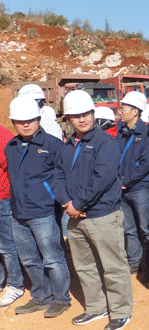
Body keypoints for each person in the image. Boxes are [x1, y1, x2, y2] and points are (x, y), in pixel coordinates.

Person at [54, 90, 133, 330]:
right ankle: (97, 306)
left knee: (113, 265)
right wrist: (66, 203)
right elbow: (57, 176)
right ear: (68, 119)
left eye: (86, 114)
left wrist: (77, 204)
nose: (82, 119)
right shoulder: (67, 145)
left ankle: (121, 311)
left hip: (102, 215)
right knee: (85, 266)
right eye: (76, 115)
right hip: (75, 216)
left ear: (93, 113)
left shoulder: (105, 143)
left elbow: (102, 178)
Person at [4, 96, 71, 317]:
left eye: (30, 119)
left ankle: (61, 298)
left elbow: (63, 177)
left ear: (38, 119)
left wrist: (56, 201)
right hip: (18, 213)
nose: (25, 124)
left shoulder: (52, 145)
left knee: (52, 257)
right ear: (13, 122)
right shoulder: (11, 147)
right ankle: (41, 296)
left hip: (43, 212)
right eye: (20, 120)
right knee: (30, 259)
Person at [116, 92, 149, 283]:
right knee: (129, 229)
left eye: (123, 109)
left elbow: (146, 164)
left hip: (139, 189)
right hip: (123, 189)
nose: (120, 112)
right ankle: (134, 262)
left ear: (135, 112)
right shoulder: (122, 132)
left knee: (146, 229)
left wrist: (126, 181)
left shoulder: (147, 134)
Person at [0, 123, 25, 309]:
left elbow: (13, 165)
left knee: (7, 244)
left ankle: (15, 284)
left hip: (3, 198)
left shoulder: (2, 136)